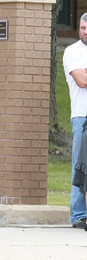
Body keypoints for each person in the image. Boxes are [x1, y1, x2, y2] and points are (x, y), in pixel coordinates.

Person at [63, 12, 87, 229]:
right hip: (82, 116)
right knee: (80, 166)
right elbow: (81, 80)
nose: (85, 31)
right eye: (82, 27)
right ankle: (79, 215)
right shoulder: (72, 51)